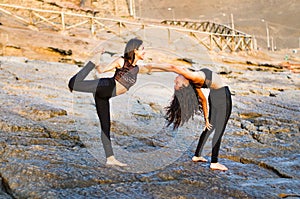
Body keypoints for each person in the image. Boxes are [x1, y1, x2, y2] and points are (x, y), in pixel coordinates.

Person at [68, 38, 169, 166]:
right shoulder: (121, 61)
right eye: (143, 49)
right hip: (106, 85)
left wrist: (175, 69)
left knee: (106, 126)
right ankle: (90, 63)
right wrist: (97, 60)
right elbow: (101, 71)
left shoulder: (137, 68)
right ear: (135, 50)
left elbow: (156, 67)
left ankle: (110, 158)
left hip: (104, 96)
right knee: (73, 84)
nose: (145, 51)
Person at [148, 65, 232, 171]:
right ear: (185, 84)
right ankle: (214, 162)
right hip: (222, 95)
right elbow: (174, 67)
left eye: (176, 83)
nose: (175, 80)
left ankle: (197, 155)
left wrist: (206, 119)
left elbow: (203, 100)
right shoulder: (192, 77)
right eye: (177, 83)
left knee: (209, 126)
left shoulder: (194, 83)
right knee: (219, 130)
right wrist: (150, 67)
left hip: (214, 95)